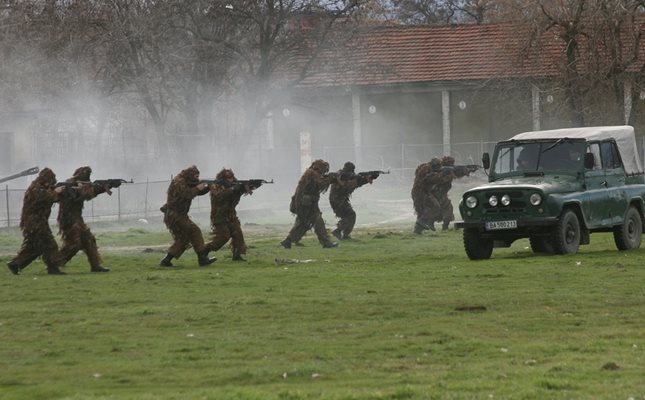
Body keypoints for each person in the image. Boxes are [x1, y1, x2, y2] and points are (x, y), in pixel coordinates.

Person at [6, 168, 67, 275]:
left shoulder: (42, 187)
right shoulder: (36, 188)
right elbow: (43, 197)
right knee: (49, 244)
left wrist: (61, 192)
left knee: (35, 247)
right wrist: (55, 192)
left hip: (37, 222)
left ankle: (15, 264)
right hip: (34, 222)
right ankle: (53, 268)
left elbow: (52, 197)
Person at [57, 166, 115, 273]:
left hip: (77, 218)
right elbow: (83, 195)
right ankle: (55, 264)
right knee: (74, 244)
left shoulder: (81, 185)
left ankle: (95, 265)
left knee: (89, 240)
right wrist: (98, 188)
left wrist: (107, 186)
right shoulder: (69, 186)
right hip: (68, 219)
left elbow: (90, 191)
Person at [159, 165, 216, 267]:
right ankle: (202, 258)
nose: (197, 179)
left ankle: (166, 261)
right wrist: (198, 187)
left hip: (177, 214)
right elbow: (186, 194)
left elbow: (196, 192)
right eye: (195, 177)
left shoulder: (185, 181)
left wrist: (207, 188)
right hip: (175, 215)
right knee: (194, 231)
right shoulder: (179, 182)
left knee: (183, 240)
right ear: (190, 175)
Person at [281, 159, 337, 249]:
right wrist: (331, 178)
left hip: (308, 203)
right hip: (306, 204)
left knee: (305, 223)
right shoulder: (311, 173)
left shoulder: (312, 173)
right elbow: (321, 183)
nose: (324, 172)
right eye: (324, 169)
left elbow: (320, 184)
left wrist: (331, 178)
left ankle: (288, 241)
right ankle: (325, 242)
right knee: (315, 221)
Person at [204, 168, 252, 261]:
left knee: (238, 234)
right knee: (223, 237)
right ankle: (204, 250)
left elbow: (237, 194)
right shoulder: (216, 186)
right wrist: (232, 189)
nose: (231, 179)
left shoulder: (235, 185)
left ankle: (237, 255)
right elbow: (219, 196)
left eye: (232, 177)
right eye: (228, 177)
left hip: (231, 215)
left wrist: (246, 187)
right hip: (219, 215)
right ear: (222, 178)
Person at [329, 161, 372, 240]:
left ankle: (344, 234)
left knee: (350, 215)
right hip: (337, 200)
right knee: (350, 215)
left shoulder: (342, 175)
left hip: (339, 200)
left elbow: (353, 184)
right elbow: (347, 186)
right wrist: (363, 180)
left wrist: (366, 180)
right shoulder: (340, 176)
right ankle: (338, 231)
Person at [434, 156, 473, 231]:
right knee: (432, 213)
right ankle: (420, 228)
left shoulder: (449, 170)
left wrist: (468, 170)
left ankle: (445, 228)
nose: (452, 165)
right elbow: (441, 180)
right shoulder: (441, 171)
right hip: (436, 195)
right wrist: (450, 175)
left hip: (442, 195)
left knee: (448, 211)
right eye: (451, 163)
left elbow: (458, 173)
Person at [411, 158, 442, 234]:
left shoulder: (426, 168)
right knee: (434, 206)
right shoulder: (426, 169)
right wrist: (438, 176)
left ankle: (418, 231)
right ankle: (422, 222)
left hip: (422, 192)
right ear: (435, 166)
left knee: (424, 210)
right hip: (420, 193)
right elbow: (426, 180)